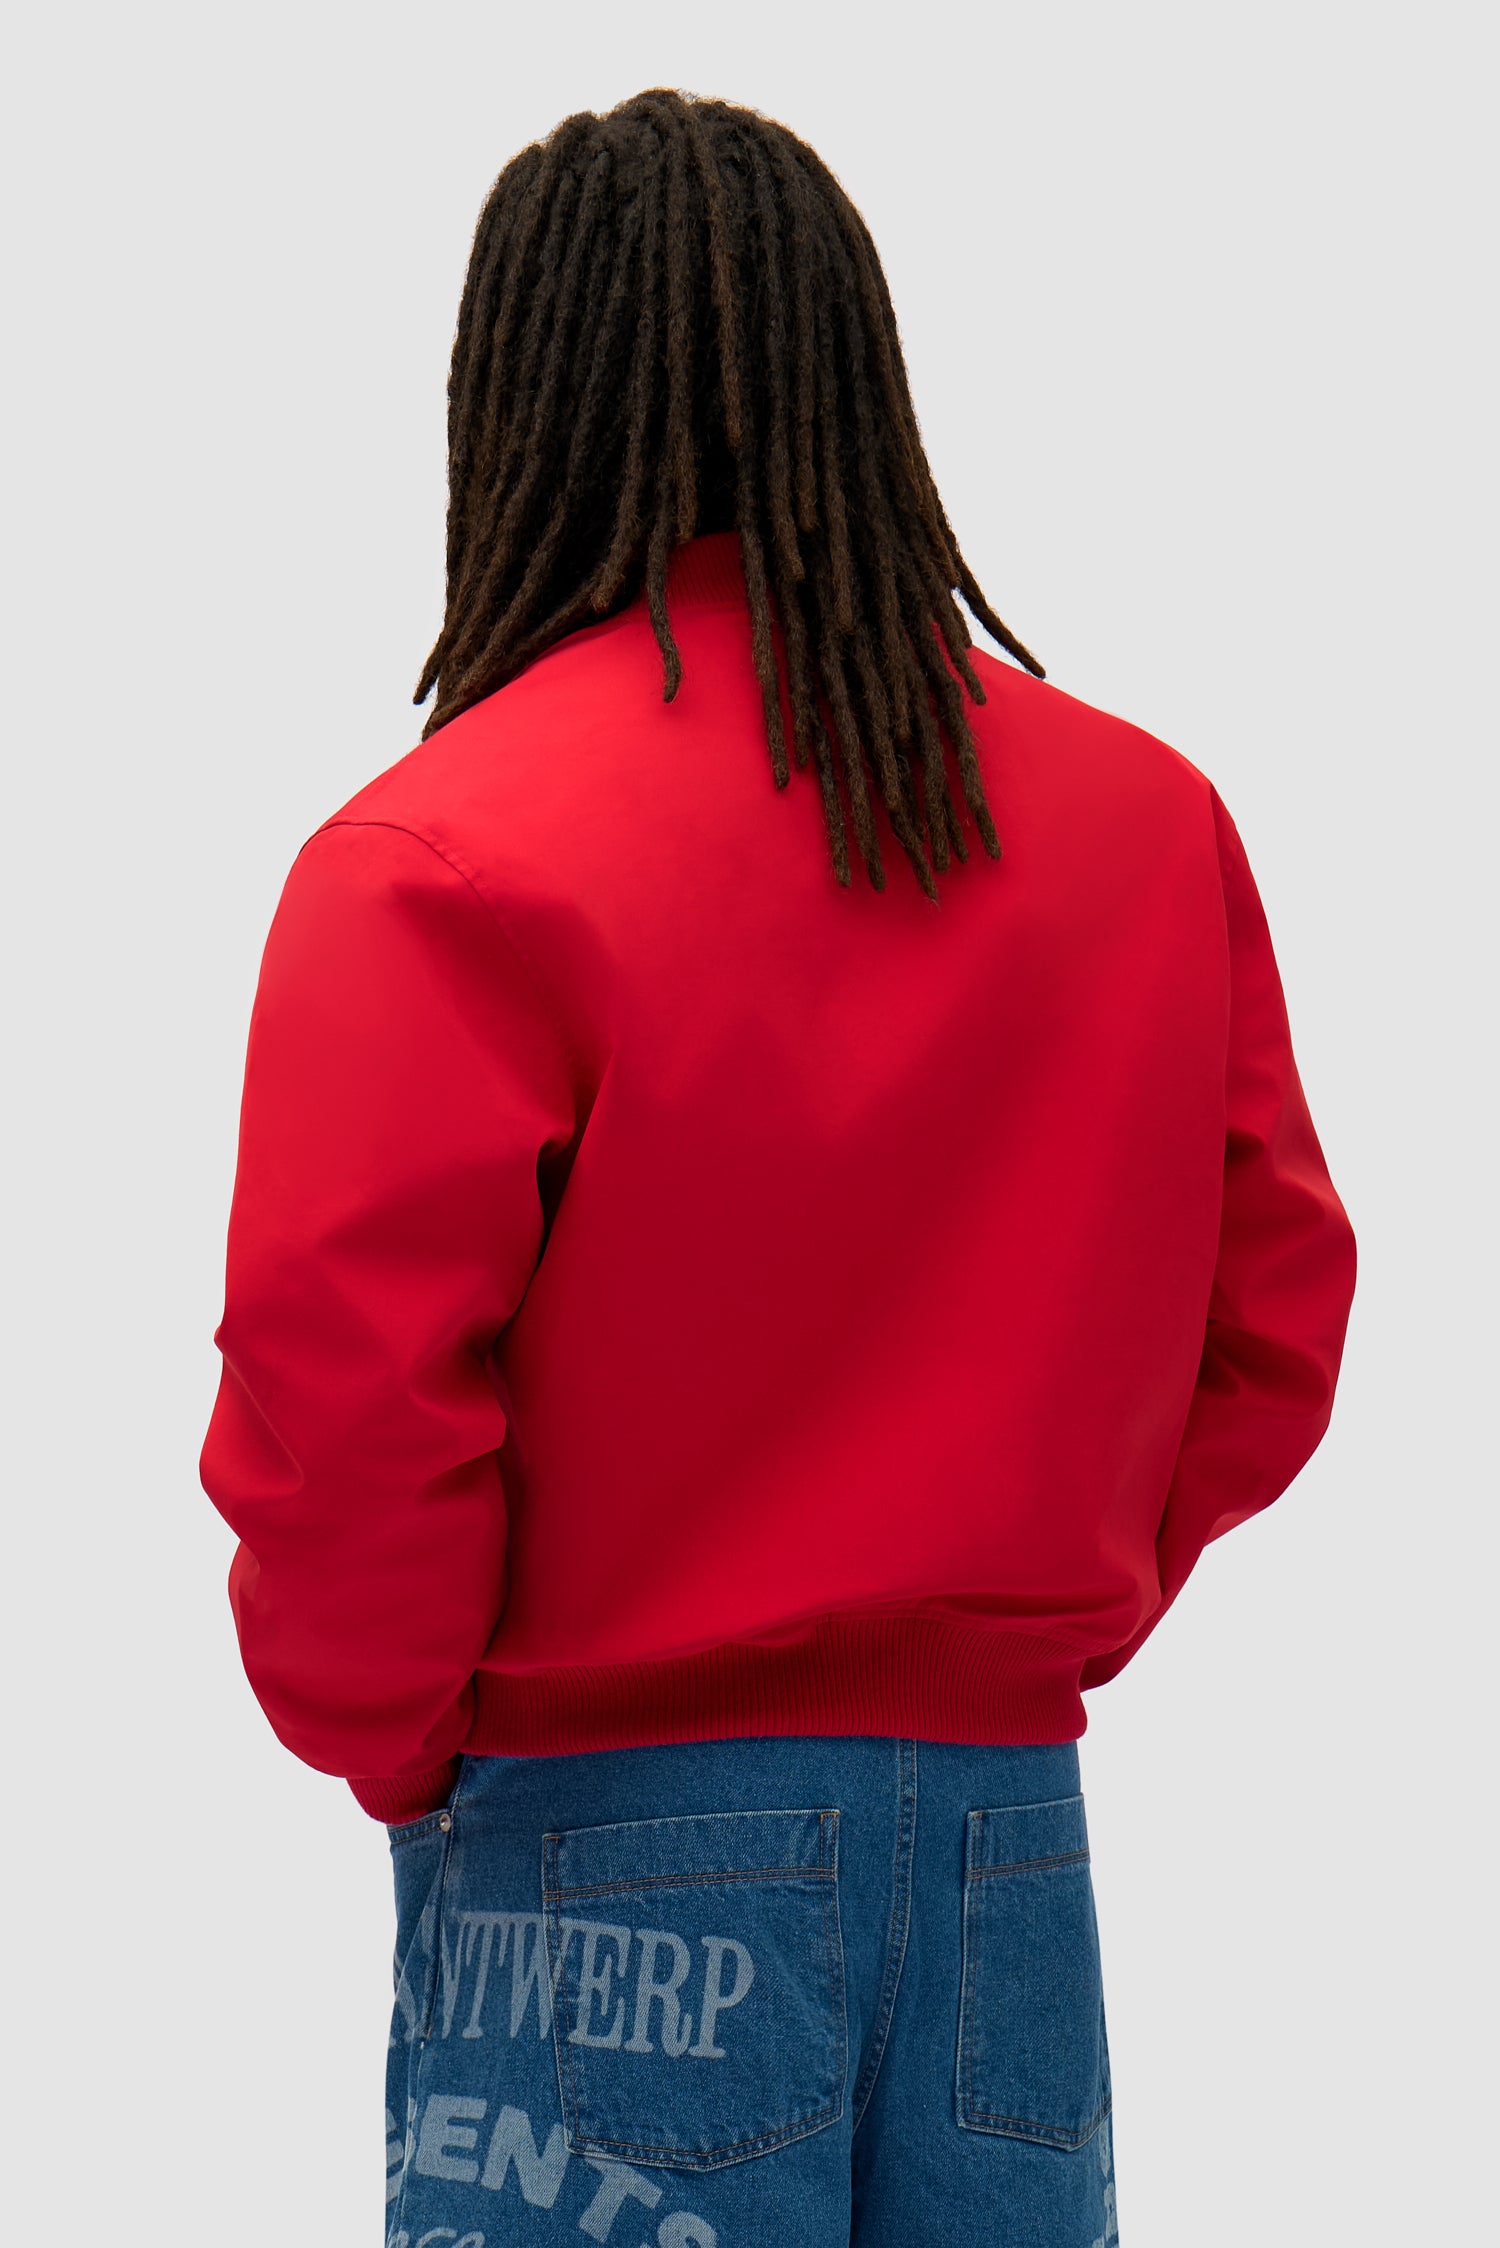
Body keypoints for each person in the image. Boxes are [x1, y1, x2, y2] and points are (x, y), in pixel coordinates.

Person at [199, 88, 1357, 2247]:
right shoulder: (1144, 826)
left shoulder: (442, 856)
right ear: (858, 378)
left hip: (592, 1841)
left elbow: (341, 1395)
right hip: (1007, 1848)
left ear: (520, 400)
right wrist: (995, 1615)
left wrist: (398, 1737)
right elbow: (1272, 1318)